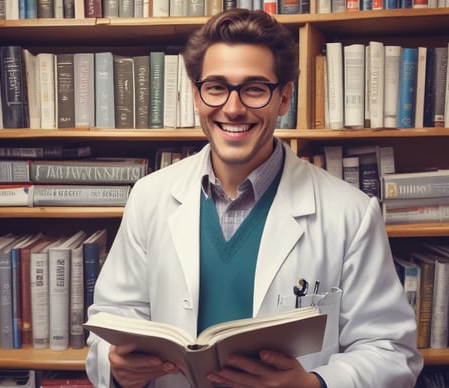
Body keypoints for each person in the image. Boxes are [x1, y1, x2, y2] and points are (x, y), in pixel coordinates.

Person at [86, 8, 423, 388]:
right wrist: (116, 368)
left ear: (283, 99)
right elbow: (110, 321)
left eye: (254, 89)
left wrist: (314, 385)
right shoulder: (149, 197)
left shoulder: (351, 212)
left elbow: (391, 350)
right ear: (196, 96)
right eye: (216, 87)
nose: (233, 108)